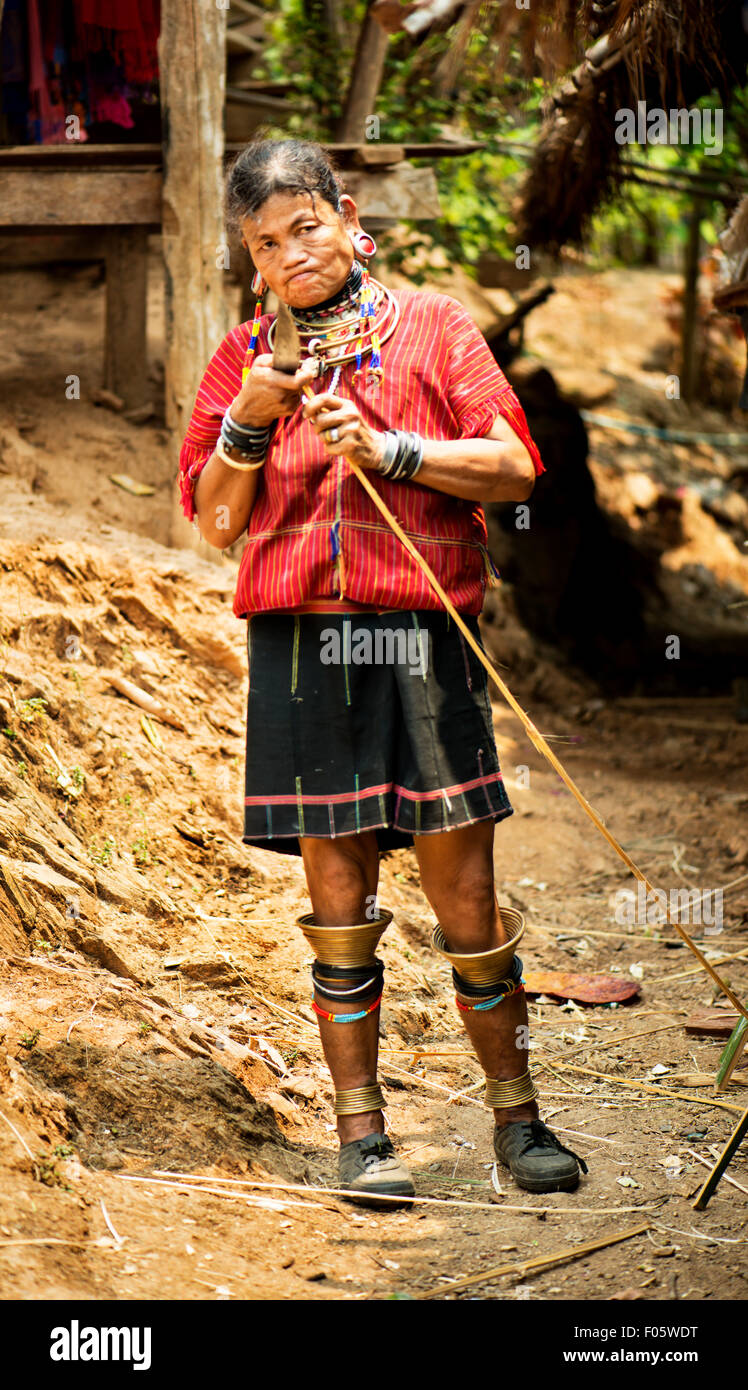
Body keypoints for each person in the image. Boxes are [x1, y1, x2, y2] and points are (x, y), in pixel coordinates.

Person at [178, 138, 587, 1204]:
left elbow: (512, 466)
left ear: (348, 217)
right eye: (266, 244)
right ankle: (364, 1141)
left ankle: (517, 1122)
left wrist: (397, 450)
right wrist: (250, 423)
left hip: (420, 638)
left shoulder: (435, 327)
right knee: (338, 898)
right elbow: (216, 521)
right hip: (303, 649)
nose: (291, 254)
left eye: (305, 227)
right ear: (252, 259)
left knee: (464, 891)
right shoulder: (241, 364)